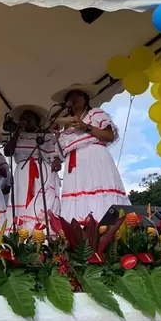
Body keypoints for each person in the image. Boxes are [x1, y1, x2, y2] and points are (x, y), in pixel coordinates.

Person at [51, 83, 129, 222]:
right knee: (77, 199)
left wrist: (85, 126)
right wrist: (57, 135)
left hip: (94, 158)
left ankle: (106, 229)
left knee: (98, 192)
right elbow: (63, 154)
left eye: (77, 95)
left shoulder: (96, 113)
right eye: (70, 97)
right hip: (74, 166)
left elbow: (109, 136)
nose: (73, 98)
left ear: (85, 98)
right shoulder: (65, 126)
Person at [4, 105, 61, 232]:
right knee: (22, 203)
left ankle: (42, 234)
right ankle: (22, 235)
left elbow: (57, 154)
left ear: (37, 120)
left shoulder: (46, 136)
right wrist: (17, 131)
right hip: (22, 175)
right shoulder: (18, 136)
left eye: (29, 117)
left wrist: (56, 161)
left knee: (41, 204)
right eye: (23, 118)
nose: (26, 120)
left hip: (42, 173)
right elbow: (7, 152)